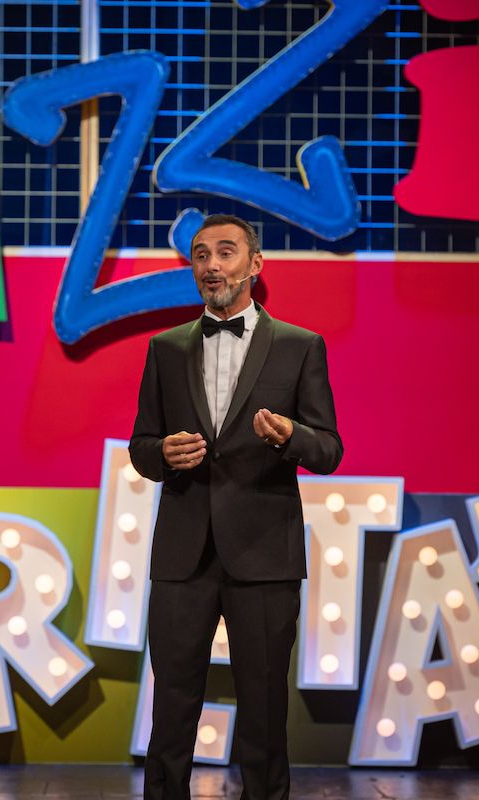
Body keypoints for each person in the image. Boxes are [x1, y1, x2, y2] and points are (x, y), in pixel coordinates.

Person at [128, 214, 343, 800]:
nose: (211, 265)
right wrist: (162, 453)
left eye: (226, 252)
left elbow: (329, 449)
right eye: (201, 255)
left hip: (265, 554)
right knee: (171, 708)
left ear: (255, 264)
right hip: (183, 556)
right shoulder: (165, 348)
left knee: (265, 710)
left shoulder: (300, 346)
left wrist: (291, 436)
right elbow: (142, 445)